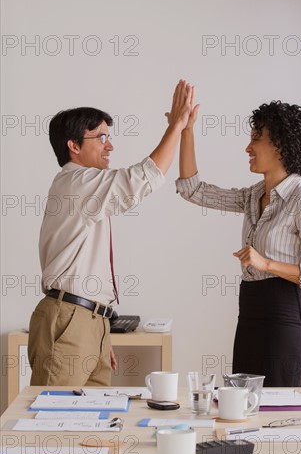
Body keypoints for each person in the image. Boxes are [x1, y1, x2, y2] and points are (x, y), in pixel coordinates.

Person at [28, 79, 192, 387]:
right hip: (70, 319)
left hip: (91, 320)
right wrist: (177, 127)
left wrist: (99, 331)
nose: (110, 145)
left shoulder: (86, 187)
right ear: (73, 146)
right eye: (101, 137)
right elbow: (140, 179)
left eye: (109, 137)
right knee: (54, 422)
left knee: (92, 426)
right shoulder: (75, 183)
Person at [176, 98, 301, 387]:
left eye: (255, 139)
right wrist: (186, 130)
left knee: (275, 408)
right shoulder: (253, 196)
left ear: (281, 145)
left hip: (285, 315)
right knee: (242, 406)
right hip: (250, 312)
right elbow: (194, 191)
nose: (247, 148)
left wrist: (266, 263)